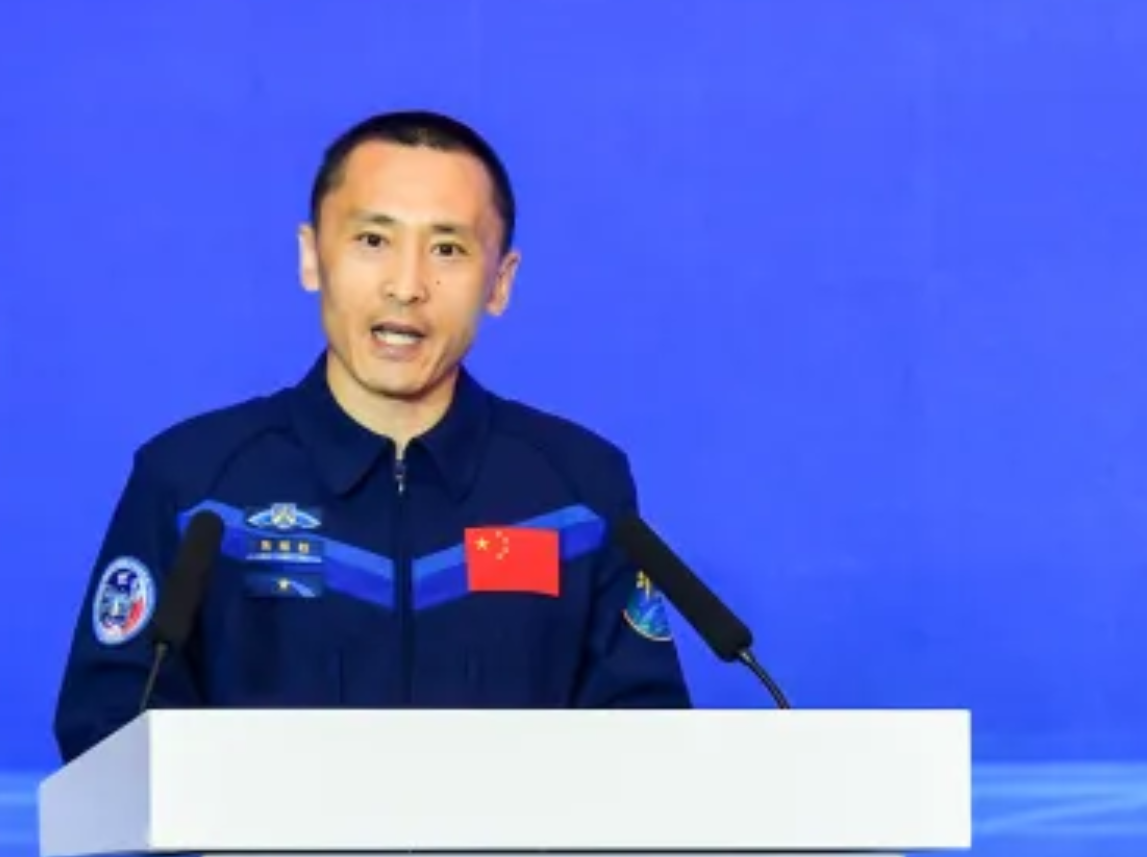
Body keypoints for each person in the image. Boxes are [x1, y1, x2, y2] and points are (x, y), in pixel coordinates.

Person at [52, 110, 693, 762]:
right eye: (372, 240)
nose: (406, 286)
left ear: (500, 282)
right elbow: (108, 734)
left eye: (447, 249)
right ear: (311, 257)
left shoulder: (576, 494)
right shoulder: (194, 486)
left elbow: (648, 746)